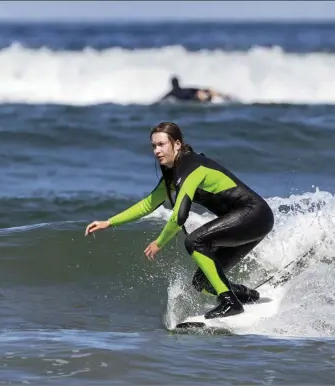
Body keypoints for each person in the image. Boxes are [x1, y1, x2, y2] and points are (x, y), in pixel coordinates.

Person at [85, 122, 274, 319]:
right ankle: (244, 295)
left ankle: (230, 303)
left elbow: (179, 215)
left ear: (177, 144)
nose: (157, 151)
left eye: (161, 144)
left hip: (255, 216)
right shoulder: (172, 173)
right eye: (153, 146)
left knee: (195, 241)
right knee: (202, 282)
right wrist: (109, 222)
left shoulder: (190, 166)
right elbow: (148, 204)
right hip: (244, 222)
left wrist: (159, 243)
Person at [156, 76, 236, 104]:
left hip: (192, 97)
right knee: (206, 92)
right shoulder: (179, 89)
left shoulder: (172, 92)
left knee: (206, 92)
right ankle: (225, 96)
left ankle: (225, 96)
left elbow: (162, 99)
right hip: (193, 96)